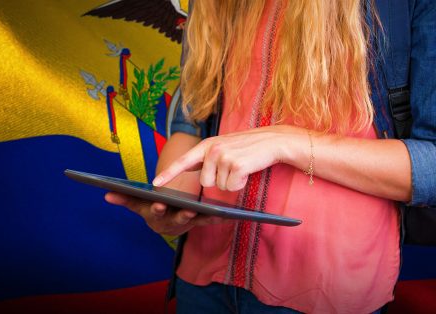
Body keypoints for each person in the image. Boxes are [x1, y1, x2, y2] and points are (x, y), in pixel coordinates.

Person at [105, 0, 436, 313]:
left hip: (326, 291)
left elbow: (431, 164)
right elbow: (190, 123)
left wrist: (288, 143)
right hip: (201, 275)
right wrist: (172, 200)